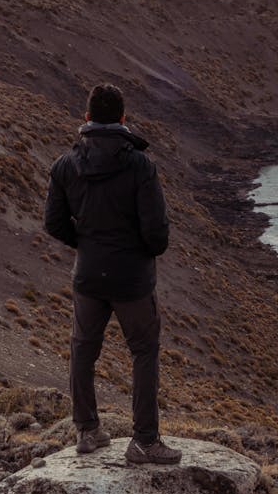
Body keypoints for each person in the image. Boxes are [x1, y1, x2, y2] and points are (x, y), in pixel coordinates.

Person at [44, 82, 181, 465]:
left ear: (86, 119)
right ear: (123, 119)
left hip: (88, 276)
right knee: (144, 352)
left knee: (82, 350)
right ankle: (144, 442)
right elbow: (157, 235)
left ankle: (87, 432)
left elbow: (53, 223)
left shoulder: (65, 165)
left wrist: (88, 244)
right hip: (132, 280)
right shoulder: (139, 165)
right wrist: (134, 250)